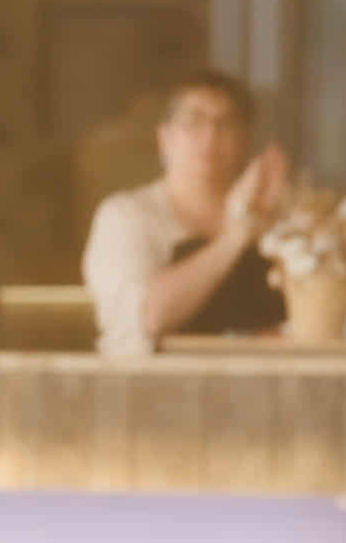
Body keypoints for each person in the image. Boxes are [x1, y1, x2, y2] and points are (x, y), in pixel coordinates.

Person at [81, 70, 293, 355]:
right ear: (165, 138)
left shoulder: (278, 215)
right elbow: (145, 318)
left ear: (246, 140)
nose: (210, 136)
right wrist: (234, 238)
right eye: (194, 122)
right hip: (156, 379)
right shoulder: (124, 216)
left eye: (226, 124)